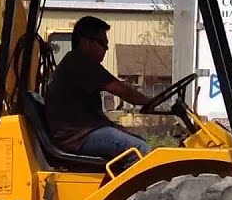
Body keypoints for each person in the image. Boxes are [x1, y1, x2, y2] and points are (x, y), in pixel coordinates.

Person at [43, 16, 154, 162]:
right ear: (85, 42)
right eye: (102, 43)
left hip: (80, 133)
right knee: (140, 150)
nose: (106, 49)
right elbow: (123, 91)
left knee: (137, 140)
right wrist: (150, 101)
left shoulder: (75, 62)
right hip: (77, 138)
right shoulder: (80, 63)